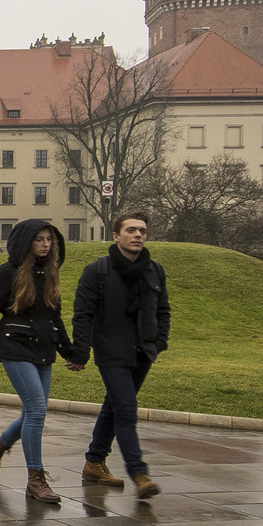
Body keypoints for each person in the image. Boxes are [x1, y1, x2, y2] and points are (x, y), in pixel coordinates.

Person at [0, 218, 75, 505]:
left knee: (32, 413)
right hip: (14, 346)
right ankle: (36, 479)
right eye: (40, 239)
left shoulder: (50, 273)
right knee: (36, 410)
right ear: (26, 242)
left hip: (43, 349)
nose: (46, 245)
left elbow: (55, 318)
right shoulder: (6, 273)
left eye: (50, 240)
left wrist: (70, 352)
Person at [71, 211, 171, 499]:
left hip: (143, 351)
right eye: (131, 230)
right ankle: (139, 473)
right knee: (126, 410)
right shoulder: (97, 271)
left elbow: (163, 309)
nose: (138, 235)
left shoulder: (155, 270)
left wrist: (159, 340)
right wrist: (81, 350)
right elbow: (83, 314)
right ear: (116, 236)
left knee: (114, 407)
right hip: (111, 350)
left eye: (142, 230)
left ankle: (94, 461)